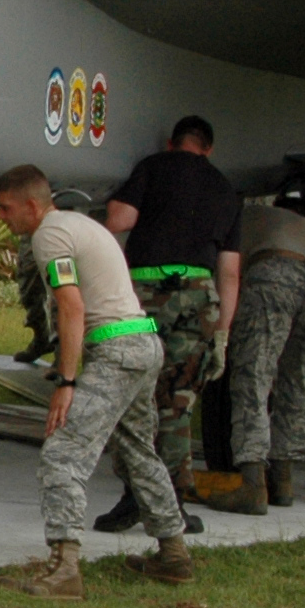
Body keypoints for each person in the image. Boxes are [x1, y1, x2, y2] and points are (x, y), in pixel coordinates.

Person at [0, 165, 192, 598]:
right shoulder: (80, 223)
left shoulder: (49, 235)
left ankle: (64, 570)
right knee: (139, 451)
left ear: (32, 205)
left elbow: (72, 307)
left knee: (63, 455)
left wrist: (66, 380)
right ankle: (174, 553)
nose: (1, 217)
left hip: (115, 351)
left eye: (6, 209)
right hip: (143, 343)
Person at [93, 116, 239, 531]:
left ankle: (132, 497)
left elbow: (121, 219)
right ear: (208, 149)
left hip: (146, 293)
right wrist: (222, 335)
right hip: (199, 295)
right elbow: (230, 272)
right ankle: (172, 501)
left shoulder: (154, 165)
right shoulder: (226, 189)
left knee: (133, 393)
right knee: (178, 401)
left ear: (172, 143)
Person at [200, 187, 305, 515]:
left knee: (252, 377)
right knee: (298, 378)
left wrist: (221, 328)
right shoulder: (296, 222)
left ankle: (252, 483)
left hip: (275, 273)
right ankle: (282, 480)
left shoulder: (234, 217)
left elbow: (228, 273)